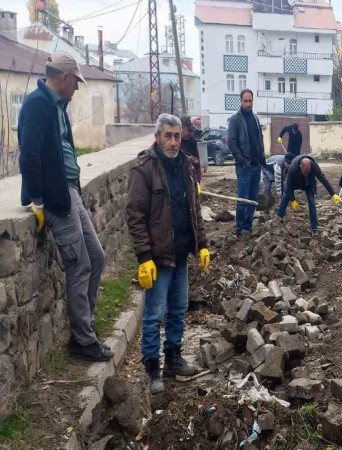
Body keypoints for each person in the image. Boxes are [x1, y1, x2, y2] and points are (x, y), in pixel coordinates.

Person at [18, 52, 112, 363]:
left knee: (96, 257)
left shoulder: (58, 106)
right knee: (79, 264)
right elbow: (29, 154)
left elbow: (63, 149)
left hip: (70, 192)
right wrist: (37, 201)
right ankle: (83, 341)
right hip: (56, 197)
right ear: (64, 77)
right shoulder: (37, 104)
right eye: (76, 83)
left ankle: (87, 329)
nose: (76, 89)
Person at [126, 114, 211, 395]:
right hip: (158, 256)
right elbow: (135, 215)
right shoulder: (144, 169)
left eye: (176, 136)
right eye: (168, 136)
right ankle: (152, 369)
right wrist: (144, 257)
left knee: (178, 308)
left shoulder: (186, 166)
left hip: (181, 252)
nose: (173, 141)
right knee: (154, 314)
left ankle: (173, 359)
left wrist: (202, 244)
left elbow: (194, 209)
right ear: (157, 137)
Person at [228, 89, 265, 237]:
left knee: (253, 198)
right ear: (241, 101)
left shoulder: (255, 118)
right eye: (245, 101)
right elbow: (232, 142)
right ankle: (239, 229)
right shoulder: (235, 119)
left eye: (250, 101)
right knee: (243, 199)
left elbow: (259, 139)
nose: (248, 104)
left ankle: (248, 227)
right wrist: (242, 160)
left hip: (256, 166)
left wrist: (262, 158)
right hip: (245, 167)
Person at [277, 154, 342, 235]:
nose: (306, 174)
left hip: (308, 184)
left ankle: (314, 228)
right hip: (296, 183)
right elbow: (288, 185)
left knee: (312, 203)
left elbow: (322, 178)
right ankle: (278, 219)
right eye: (305, 173)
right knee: (285, 196)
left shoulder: (314, 166)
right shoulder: (293, 168)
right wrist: (293, 200)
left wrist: (333, 194)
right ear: (300, 166)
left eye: (308, 172)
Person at [180, 115, 202, 183]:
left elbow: (197, 164)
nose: (190, 133)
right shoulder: (173, 143)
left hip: (190, 181)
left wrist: (197, 181)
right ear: (181, 128)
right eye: (189, 130)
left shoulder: (192, 141)